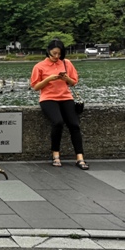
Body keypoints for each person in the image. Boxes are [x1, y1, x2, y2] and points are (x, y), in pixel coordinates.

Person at [30, 39, 89, 170]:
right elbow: (35, 86)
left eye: (59, 54)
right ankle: (55, 154)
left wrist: (65, 78)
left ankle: (80, 157)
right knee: (57, 122)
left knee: (74, 124)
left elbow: (73, 82)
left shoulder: (66, 63)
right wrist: (49, 79)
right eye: (54, 53)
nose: (56, 56)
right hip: (48, 98)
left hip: (66, 96)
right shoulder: (39, 66)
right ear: (48, 51)